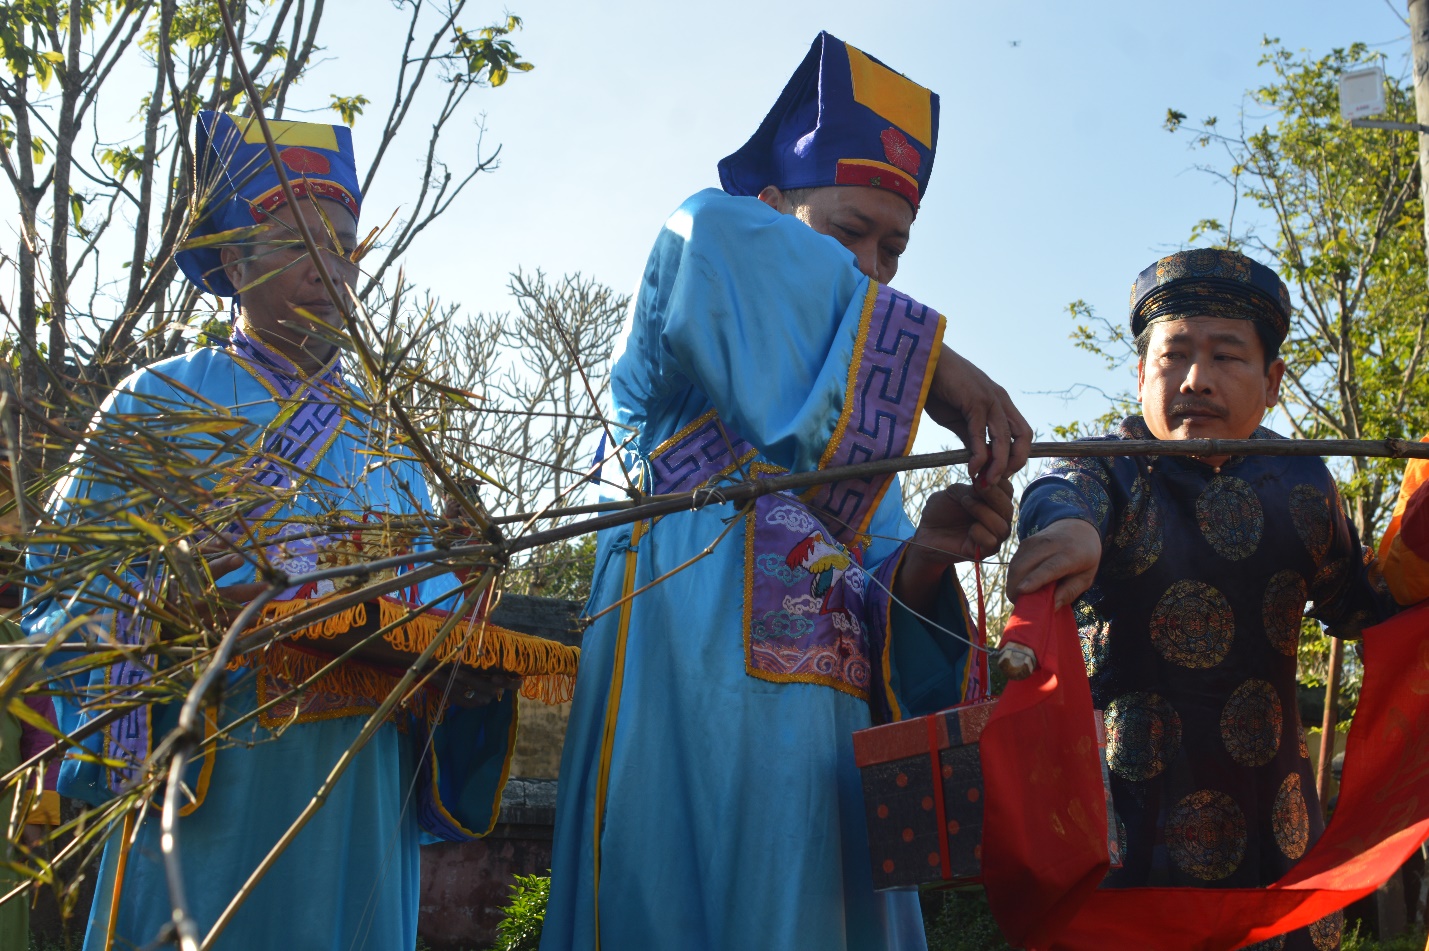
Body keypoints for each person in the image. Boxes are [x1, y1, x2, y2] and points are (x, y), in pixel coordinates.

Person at [22, 113, 569, 950]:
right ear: (234, 261)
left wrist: (464, 600)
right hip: (218, 776)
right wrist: (167, 598)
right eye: (297, 241)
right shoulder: (153, 405)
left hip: (359, 786)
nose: (330, 267)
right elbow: (61, 599)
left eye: (346, 245)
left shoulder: (396, 436)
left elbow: (421, 623)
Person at [542, 33, 1028, 951]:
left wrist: (925, 552)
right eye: (846, 232)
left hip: (824, 780)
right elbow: (709, 230)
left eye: (892, 247)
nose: (873, 268)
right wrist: (940, 370)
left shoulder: (859, 453)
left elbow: (881, 615)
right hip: (684, 729)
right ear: (773, 206)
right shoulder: (689, 310)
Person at [1007, 248, 1385, 951]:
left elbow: (1364, 605)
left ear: (1271, 380)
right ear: (1139, 371)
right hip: (1127, 823)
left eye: (1225, 357)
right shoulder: (1107, 471)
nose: (1194, 380)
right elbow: (1056, 496)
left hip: (1276, 821)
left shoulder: (1305, 483)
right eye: (1172, 355)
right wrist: (1067, 530)